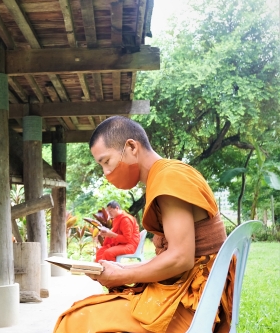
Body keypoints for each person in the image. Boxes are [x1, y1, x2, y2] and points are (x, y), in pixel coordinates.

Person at [54, 116, 232, 333]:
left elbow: (181, 258)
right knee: (88, 310)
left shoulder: (169, 177)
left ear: (131, 147)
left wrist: (123, 275)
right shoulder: (166, 174)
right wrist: (123, 267)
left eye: (106, 161)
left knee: (75, 319)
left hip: (193, 304)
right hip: (188, 293)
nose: (106, 173)